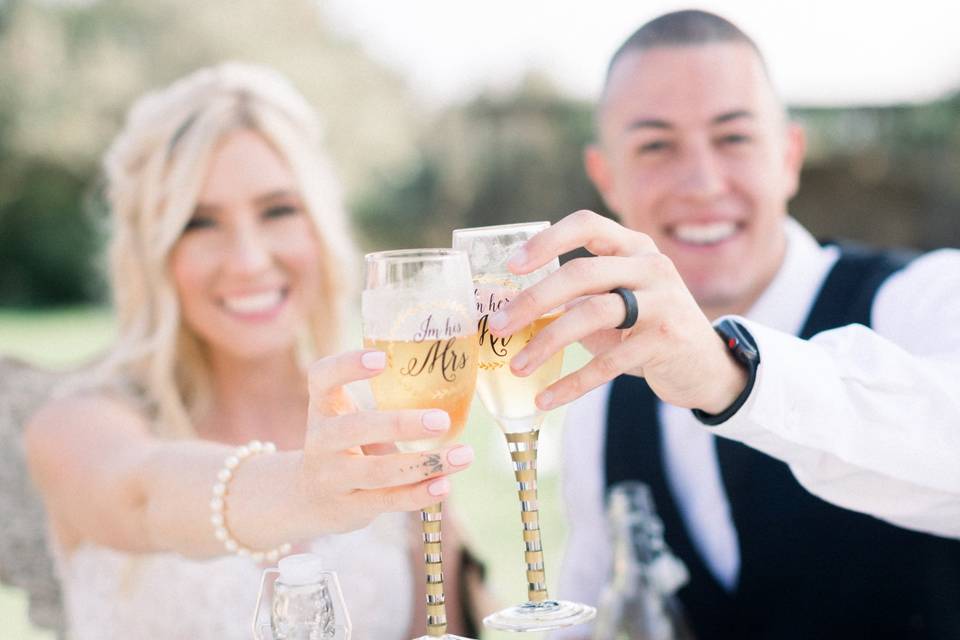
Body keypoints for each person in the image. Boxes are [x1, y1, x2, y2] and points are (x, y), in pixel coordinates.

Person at [485, 10, 960, 639]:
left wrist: (728, 373)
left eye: (733, 138)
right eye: (656, 145)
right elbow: (589, 609)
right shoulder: (602, 395)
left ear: (788, 157)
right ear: (607, 178)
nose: (703, 183)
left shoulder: (925, 298)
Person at [23, 63, 482, 639]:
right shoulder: (76, 427)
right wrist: (304, 490)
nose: (247, 259)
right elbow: (142, 495)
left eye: (278, 210)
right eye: (199, 222)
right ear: (150, 252)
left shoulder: (390, 427)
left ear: (320, 226)